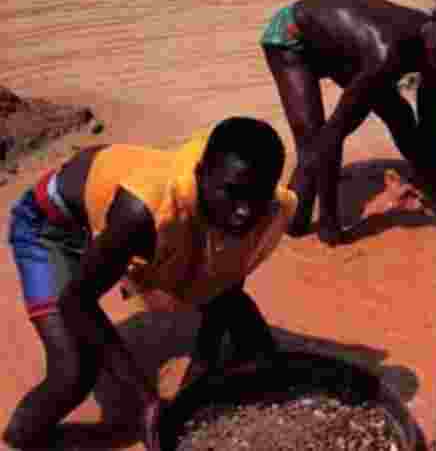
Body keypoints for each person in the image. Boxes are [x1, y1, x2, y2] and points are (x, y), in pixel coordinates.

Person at [4, 117, 298, 451]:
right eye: (233, 193)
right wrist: (146, 400)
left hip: (117, 211)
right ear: (201, 174)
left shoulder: (270, 209)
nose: (244, 212)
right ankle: (20, 436)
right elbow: (77, 302)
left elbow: (225, 284)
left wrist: (196, 382)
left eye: (257, 197)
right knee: (74, 372)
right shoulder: (143, 211)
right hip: (54, 226)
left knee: (237, 315)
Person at [261, 0, 436, 245]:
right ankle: (291, 221)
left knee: (400, 115)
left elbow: (428, 112)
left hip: (342, 49)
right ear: (435, 19)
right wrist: (330, 223)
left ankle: (427, 177)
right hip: (292, 39)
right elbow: (332, 135)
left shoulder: (435, 46)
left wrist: (434, 176)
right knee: (312, 146)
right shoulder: (388, 53)